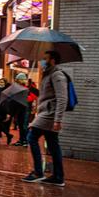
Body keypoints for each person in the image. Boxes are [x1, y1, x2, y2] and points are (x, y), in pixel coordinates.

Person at [23, 51, 68, 187]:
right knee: (53, 145)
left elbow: (62, 98)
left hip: (49, 115)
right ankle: (58, 177)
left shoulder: (57, 75)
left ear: (53, 60)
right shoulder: (48, 74)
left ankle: (38, 172)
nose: (42, 61)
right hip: (46, 113)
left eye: (45, 59)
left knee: (31, 137)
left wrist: (58, 120)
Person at [13, 73, 30, 147]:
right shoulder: (17, 87)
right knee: (20, 125)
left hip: (25, 108)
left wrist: (24, 98)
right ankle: (21, 140)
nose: (17, 81)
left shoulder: (28, 87)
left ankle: (25, 140)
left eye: (18, 79)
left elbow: (31, 97)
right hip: (19, 108)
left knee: (24, 125)